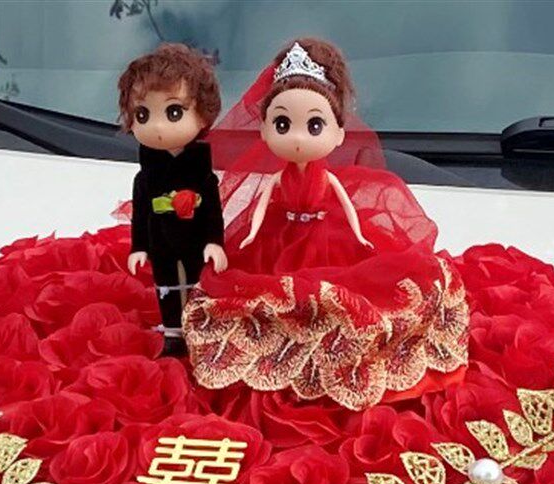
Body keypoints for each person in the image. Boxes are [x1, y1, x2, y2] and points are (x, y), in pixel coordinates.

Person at [183, 38, 469, 410]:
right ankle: (288, 346)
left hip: (326, 237)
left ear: (338, 134)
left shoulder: (329, 178)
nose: (297, 137)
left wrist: (361, 236)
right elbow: (261, 208)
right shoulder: (277, 179)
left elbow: (348, 208)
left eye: (314, 125)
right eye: (283, 123)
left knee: (340, 293)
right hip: (281, 236)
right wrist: (251, 235)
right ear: (264, 130)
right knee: (268, 294)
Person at [119, 43, 227, 356]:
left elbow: (213, 211)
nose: (157, 126)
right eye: (142, 114)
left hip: (195, 240)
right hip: (160, 240)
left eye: (174, 112)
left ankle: (197, 329)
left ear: (204, 115)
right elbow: (140, 214)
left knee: (196, 282)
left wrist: (215, 242)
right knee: (165, 283)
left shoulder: (202, 174)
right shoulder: (145, 177)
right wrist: (138, 247)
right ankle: (172, 333)